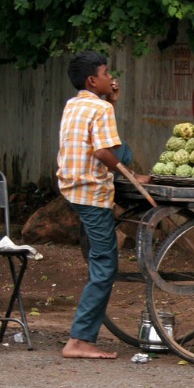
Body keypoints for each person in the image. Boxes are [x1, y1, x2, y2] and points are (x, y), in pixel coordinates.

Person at [56, 50, 145, 359]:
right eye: (107, 74)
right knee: (105, 266)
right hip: (91, 194)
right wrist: (130, 175)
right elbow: (104, 151)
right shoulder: (100, 109)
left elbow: (94, 140)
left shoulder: (75, 104)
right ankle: (79, 340)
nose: (112, 78)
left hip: (72, 188)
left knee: (101, 263)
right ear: (93, 80)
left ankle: (82, 337)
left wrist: (111, 101)